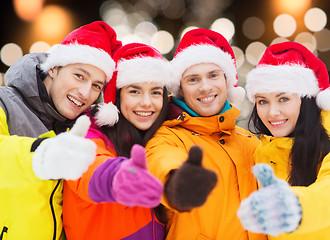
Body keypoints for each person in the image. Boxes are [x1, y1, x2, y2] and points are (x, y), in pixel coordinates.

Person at [0, 21, 122, 240]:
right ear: (54, 68)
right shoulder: (4, 103)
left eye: (96, 85)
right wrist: (41, 154)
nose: (85, 93)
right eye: (79, 76)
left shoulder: (84, 125)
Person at [145, 28, 267, 239]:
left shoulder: (251, 143)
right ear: (181, 88)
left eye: (213, 76)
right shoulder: (168, 138)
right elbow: (161, 161)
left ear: (227, 82)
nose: (205, 87)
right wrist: (176, 179)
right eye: (193, 79)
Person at [63, 43, 173, 240]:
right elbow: (89, 167)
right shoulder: (90, 136)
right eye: (134, 91)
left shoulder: (161, 139)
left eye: (156, 92)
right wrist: (120, 176)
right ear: (117, 97)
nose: (147, 102)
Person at [237, 41, 330, 239]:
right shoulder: (262, 153)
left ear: (305, 100)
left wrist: (294, 208)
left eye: (283, 99)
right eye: (263, 101)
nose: (272, 113)